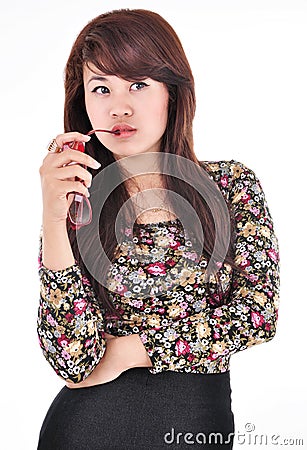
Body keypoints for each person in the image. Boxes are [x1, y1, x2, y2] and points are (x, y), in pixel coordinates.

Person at [36, 8, 280, 450]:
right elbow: (71, 360)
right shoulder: (80, 202)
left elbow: (257, 318)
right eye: (101, 88)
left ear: (173, 90)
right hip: (85, 431)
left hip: (193, 427)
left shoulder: (229, 186)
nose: (119, 105)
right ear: (83, 103)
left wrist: (131, 351)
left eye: (138, 84)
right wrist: (53, 220)